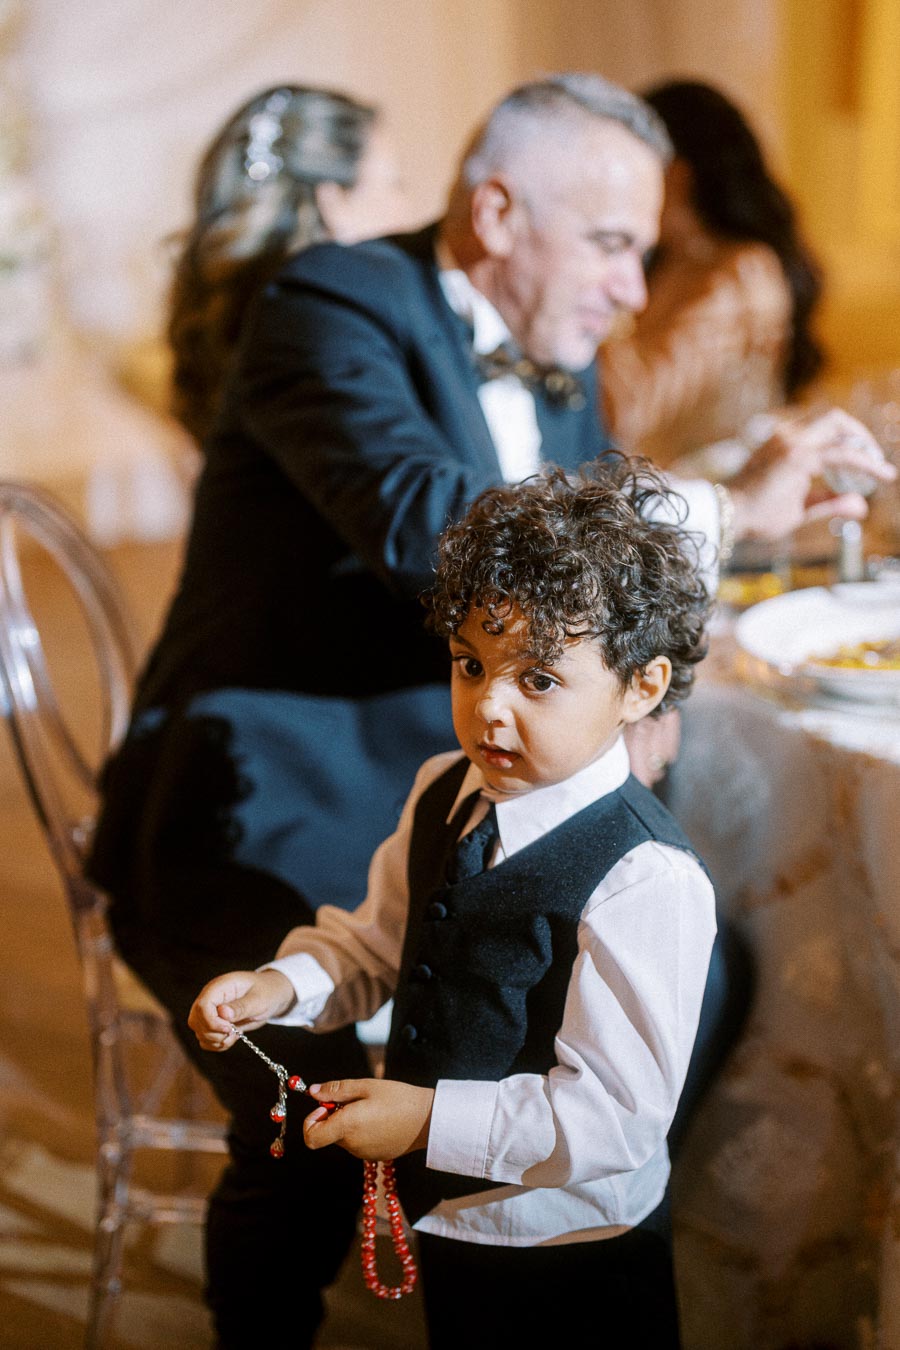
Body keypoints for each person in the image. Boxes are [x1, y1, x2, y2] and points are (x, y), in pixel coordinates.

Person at [88, 73, 894, 1347]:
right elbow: (447, 534)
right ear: (501, 213)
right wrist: (734, 507)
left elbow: (580, 589)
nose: (636, 289)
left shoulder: (558, 350)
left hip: (477, 779)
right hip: (271, 794)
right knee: (306, 1098)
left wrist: (640, 693)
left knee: (709, 980)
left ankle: (514, 1237)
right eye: (616, 245)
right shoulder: (333, 300)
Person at [189, 460, 717, 1348]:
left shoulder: (647, 879)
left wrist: (428, 1119)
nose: (489, 710)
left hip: (568, 1247)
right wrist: (279, 987)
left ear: (643, 687)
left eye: (538, 680)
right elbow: (375, 941)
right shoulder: (445, 789)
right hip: (455, 1222)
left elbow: (617, 1118)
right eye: (472, 665)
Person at [602, 79, 825, 467]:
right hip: (665, 494)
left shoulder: (740, 274)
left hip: (721, 506)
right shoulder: (673, 264)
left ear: (676, 173)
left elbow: (631, 408)